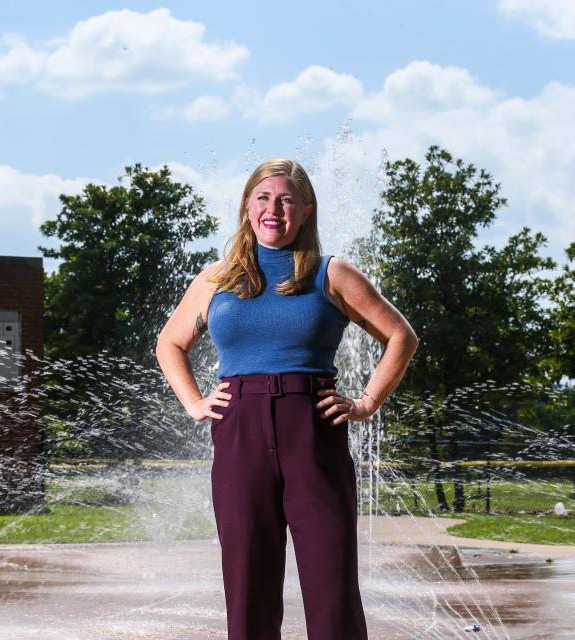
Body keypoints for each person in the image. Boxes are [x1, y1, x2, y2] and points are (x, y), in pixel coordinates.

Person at [155, 158, 419, 640]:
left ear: (306, 211)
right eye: (263, 197)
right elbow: (169, 343)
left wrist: (365, 402)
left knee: (331, 581)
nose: (273, 209)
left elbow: (400, 336)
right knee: (247, 581)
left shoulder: (331, 273)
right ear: (247, 207)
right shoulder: (216, 280)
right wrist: (195, 402)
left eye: (286, 200)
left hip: (313, 429)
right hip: (239, 433)